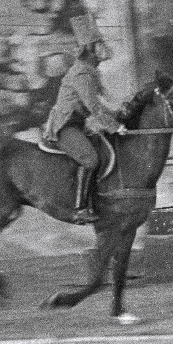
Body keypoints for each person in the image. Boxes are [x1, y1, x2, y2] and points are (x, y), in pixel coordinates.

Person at [41, 12, 126, 224]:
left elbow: (103, 103)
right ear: (89, 48)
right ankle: (79, 209)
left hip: (79, 124)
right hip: (65, 126)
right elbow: (94, 107)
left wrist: (120, 112)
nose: (103, 48)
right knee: (91, 160)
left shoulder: (91, 71)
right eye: (99, 44)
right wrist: (115, 127)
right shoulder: (81, 74)